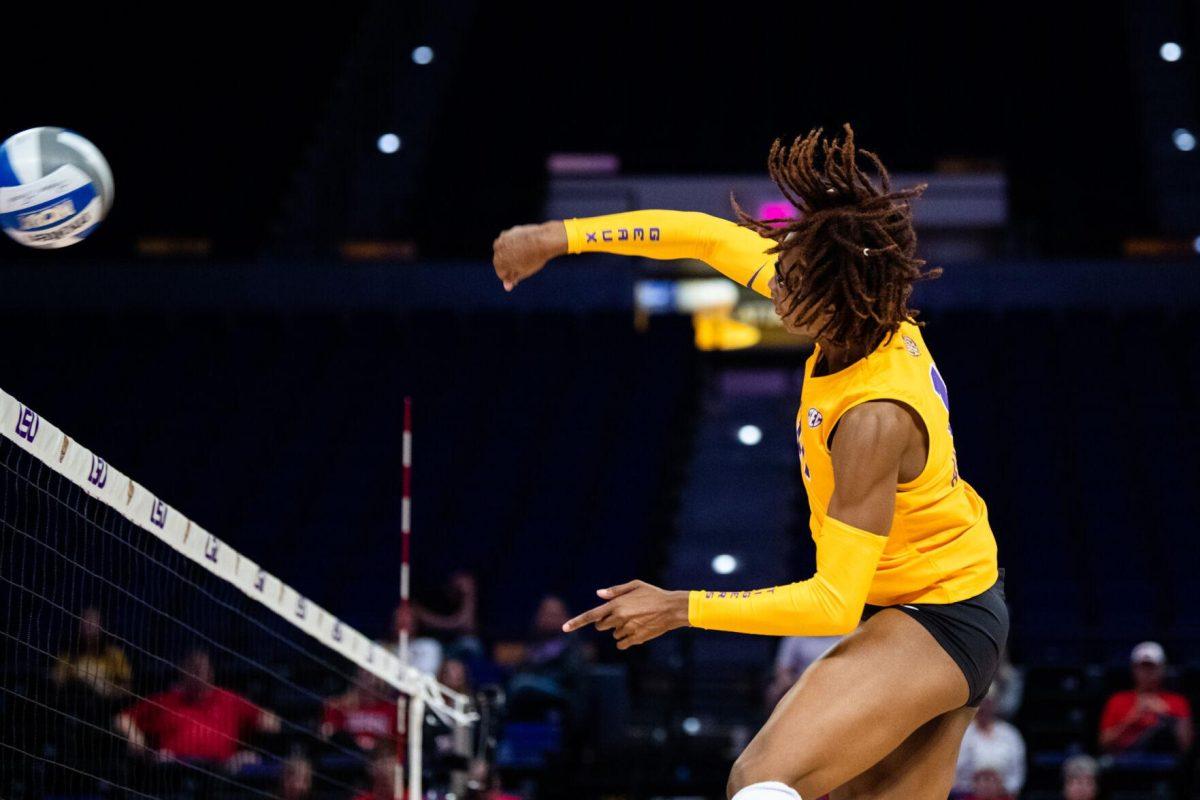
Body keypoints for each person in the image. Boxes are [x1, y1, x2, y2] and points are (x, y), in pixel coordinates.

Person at [494, 125, 1008, 800]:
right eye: (785, 274)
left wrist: (681, 607)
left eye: (795, 283)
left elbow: (830, 602)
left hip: (940, 616)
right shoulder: (852, 309)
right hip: (940, 604)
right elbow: (702, 236)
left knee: (763, 778)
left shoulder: (873, 418)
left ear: (838, 294)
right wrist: (558, 235)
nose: (776, 290)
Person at [114, 648, 280, 769]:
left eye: (201, 669)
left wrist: (268, 720)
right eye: (192, 669)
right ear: (182, 672)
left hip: (220, 771)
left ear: (210, 673)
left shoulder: (229, 699)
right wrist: (134, 735)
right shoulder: (166, 700)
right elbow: (123, 718)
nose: (197, 673)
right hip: (173, 770)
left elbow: (268, 718)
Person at [1100, 641, 1193, 755]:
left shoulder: (1177, 701)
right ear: (1133, 669)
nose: (1147, 673)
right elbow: (1104, 743)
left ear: (1163, 669)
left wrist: (1166, 715)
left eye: (1152, 668)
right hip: (1125, 760)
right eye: (1142, 668)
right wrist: (1132, 719)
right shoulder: (1118, 700)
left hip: (1167, 762)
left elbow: (1186, 745)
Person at [954, 685, 1025, 797]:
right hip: (967, 795)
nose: (983, 707)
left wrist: (999, 789)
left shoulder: (1010, 734)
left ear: (995, 704)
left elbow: (1017, 777)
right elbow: (953, 774)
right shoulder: (962, 734)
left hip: (1002, 796)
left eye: (988, 702)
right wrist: (977, 787)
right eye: (980, 702)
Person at [51, 606, 133, 703]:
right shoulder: (69, 656)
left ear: (102, 625)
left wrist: (106, 690)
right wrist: (78, 677)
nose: (89, 625)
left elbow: (128, 688)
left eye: (93, 622)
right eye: (85, 621)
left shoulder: (114, 654)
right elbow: (56, 682)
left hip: (105, 707)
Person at [321, 666, 396, 752]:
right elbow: (328, 736)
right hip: (349, 755)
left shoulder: (393, 708)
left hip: (382, 756)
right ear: (357, 676)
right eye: (367, 674)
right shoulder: (338, 705)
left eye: (375, 675)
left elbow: (397, 742)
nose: (371, 680)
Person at [765, 636, 841, 709]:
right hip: (799, 684)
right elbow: (782, 670)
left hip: (834, 686)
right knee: (777, 689)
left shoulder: (845, 639)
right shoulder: (796, 638)